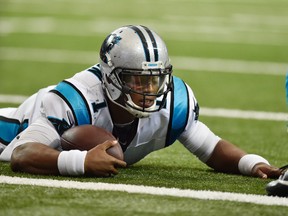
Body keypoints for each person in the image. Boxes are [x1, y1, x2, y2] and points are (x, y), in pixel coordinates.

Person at [0, 25, 282, 178]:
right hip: (10, 132)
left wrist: (253, 164)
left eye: (155, 79)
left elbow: (211, 147)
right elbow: (23, 154)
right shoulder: (75, 99)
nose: (149, 89)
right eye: (137, 80)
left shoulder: (173, 103)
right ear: (110, 77)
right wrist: (82, 161)